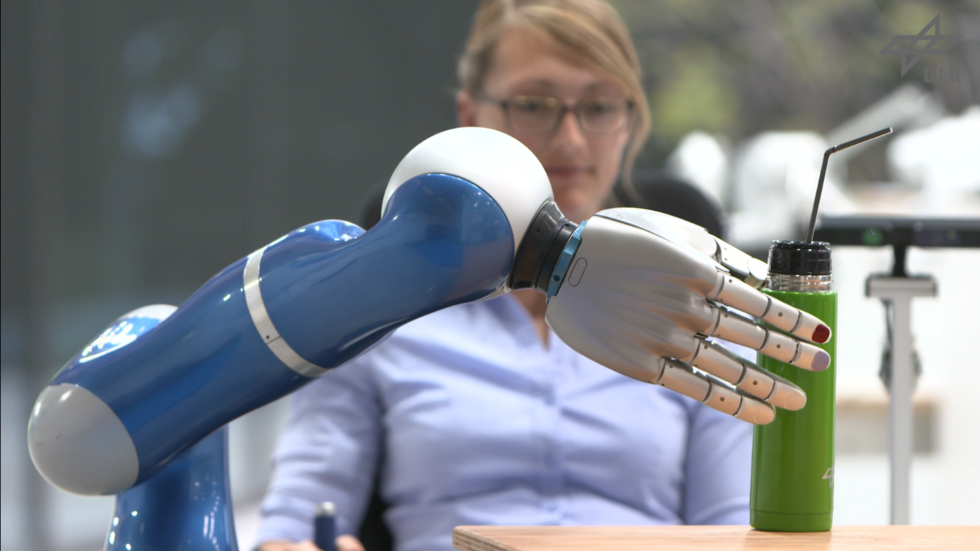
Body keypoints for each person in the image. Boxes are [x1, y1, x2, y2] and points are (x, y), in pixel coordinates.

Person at [257, 1, 751, 550]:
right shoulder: (376, 300)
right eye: (534, 105)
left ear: (630, 120)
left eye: (600, 106)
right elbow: (299, 520)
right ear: (470, 120)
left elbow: (734, 526)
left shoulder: (694, 299)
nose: (570, 139)